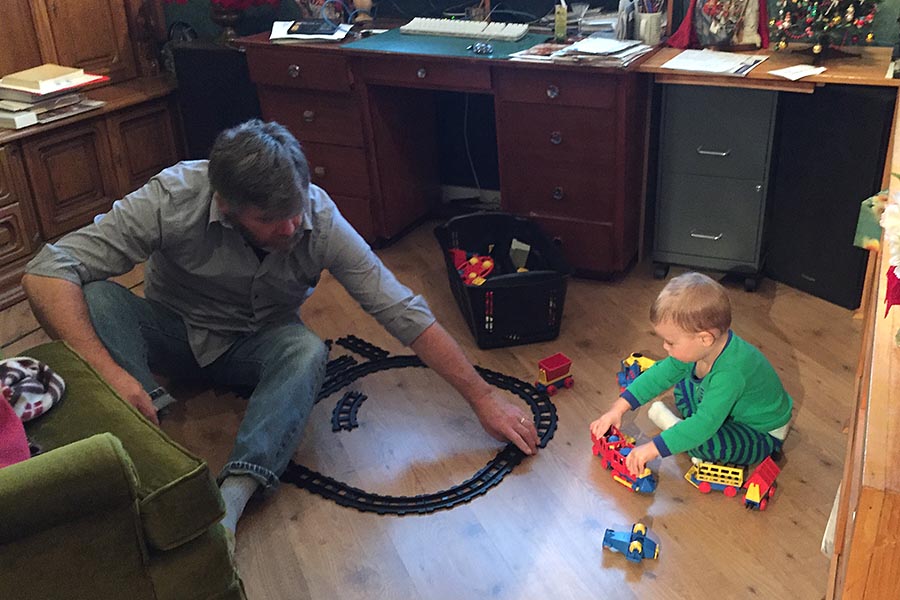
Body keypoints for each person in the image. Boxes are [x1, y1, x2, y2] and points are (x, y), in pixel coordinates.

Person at [22, 119, 539, 537]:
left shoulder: (317, 216)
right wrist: (110, 372)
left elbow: (400, 310)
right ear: (226, 204)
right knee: (96, 297)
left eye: (295, 209)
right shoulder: (171, 197)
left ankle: (235, 497)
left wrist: (482, 397)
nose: (292, 228)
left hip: (259, 343)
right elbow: (47, 270)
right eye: (272, 219)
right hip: (172, 334)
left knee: (306, 350)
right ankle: (146, 442)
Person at [589, 272, 792, 477]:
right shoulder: (703, 349)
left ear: (705, 338)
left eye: (671, 342)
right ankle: (682, 433)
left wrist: (652, 449)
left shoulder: (730, 374)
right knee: (683, 385)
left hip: (760, 432)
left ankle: (679, 430)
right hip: (727, 408)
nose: (664, 346)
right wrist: (618, 408)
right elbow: (659, 375)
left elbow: (705, 424)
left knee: (703, 442)